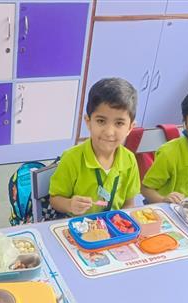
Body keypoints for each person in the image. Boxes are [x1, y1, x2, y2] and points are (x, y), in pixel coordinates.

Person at [49, 77, 140, 216]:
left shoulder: (129, 160)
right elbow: (55, 199)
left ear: (130, 127)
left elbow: (129, 203)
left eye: (119, 123)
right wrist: (69, 205)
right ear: (88, 121)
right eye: (101, 121)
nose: (109, 132)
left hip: (113, 225)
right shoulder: (72, 158)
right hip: (78, 225)